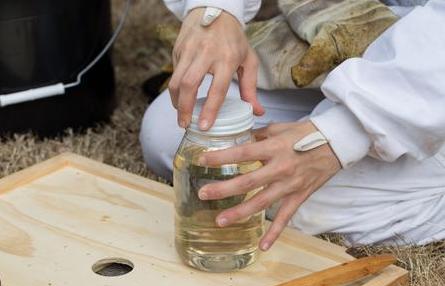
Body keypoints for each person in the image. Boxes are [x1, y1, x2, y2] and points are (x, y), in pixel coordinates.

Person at [140, 0, 445, 250]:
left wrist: (340, 135)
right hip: (389, 31)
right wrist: (217, 11)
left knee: (291, 200)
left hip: (431, 70)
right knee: (171, 132)